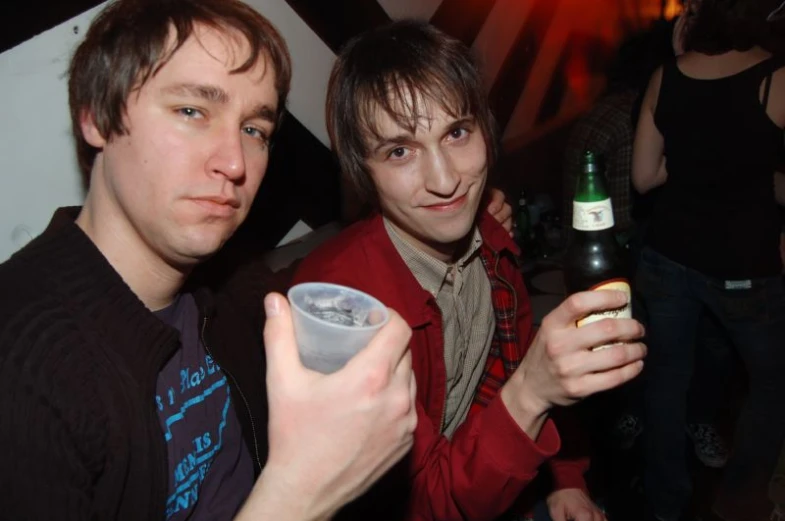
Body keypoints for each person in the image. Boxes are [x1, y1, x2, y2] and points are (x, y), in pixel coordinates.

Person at [0, 0, 422, 520]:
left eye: (254, 130)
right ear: (96, 116)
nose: (234, 162)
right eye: (192, 111)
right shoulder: (22, 370)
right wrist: (303, 492)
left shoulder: (224, 276)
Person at [293, 20, 647, 521]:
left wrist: (565, 477)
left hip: (499, 468)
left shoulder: (491, 238)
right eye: (400, 151)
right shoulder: (341, 310)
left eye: (457, 132)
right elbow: (421, 505)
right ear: (361, 172)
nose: (446, 180)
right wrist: (531, 392)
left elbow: (517, 351)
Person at [632, 0, 785, 518]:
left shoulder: (665, 75)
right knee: (772, 381)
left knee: (666, 378)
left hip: (667, 256)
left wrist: (697, 159)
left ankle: (665, 505)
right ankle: (740, 503)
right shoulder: (777, 76)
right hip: (744, 267)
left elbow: (645, 178)